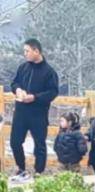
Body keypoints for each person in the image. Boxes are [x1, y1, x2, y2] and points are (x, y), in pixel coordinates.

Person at [10, 38, 59, 182]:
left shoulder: (49, 72)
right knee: (15, 142)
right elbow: (14, 82)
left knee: (40, 144)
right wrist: (17, 90)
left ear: (36, 51)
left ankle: (39, 172)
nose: (25, 54)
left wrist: (35, 97)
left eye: (27, 51)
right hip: (20, 112)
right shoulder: (23, 67)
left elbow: (53, 92)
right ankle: (21, 168)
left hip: (38, 113)